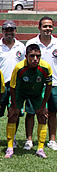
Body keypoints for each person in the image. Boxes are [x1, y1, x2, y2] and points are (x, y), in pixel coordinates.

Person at [5, 44, 52, 159]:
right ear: (26, 56)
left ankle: (40, 149)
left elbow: (49, 86)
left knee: (42, 116)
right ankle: (10, 147)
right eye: (32, 56)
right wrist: (14, 106)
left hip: (36, 93)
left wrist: (44, 105)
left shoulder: (46, 67)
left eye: (38, 56)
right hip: (20, 92)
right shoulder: (19, 67)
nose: (35, 59)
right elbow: (13, 87)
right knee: (13, 115)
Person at [25, 16, 57, 151]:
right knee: (31, 112)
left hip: (54, 83)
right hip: (35, 84)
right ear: (39, 28)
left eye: (50, 26)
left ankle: (52, 140)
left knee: (52, 112)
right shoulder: (31, 43)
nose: (47, 29)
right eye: (45, 26)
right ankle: (29, 140)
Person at [0, 20, 25, 149]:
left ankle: (13, 138)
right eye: (6, 30)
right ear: (2, 31)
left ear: (15, 31)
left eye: (11, 30)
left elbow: (24, 67)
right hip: (0, 85)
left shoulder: (21, 47)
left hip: (16, 86)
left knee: (14, 113)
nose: (9, 32)